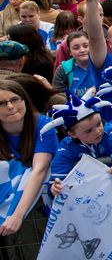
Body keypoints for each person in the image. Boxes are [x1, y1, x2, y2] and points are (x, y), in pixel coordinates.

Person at [0, 80, 58, 258]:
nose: (10, 106)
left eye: (15, 99)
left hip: (37, 203)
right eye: (2, 103)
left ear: (25, 100)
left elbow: (39, 170)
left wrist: (17, 215)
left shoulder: (43, 125)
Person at [46, 89, 112, 196]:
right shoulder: (67, 146)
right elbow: (58, 178)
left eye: (99, 124)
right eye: (88, 131)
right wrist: (54, 188)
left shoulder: (110, 131)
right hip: (89, 197)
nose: (97, 131)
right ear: (72, 134)